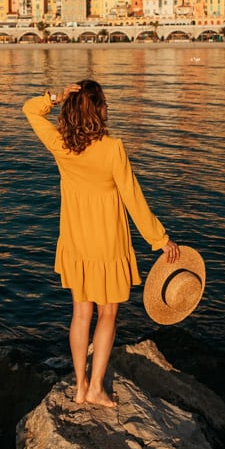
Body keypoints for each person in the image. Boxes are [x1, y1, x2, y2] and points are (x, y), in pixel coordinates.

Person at [22, 79, 180, 407]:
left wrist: (56, 95)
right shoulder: (113, 149)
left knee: (81, 313)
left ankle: (79, 386)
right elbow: (134, 199)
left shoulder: (61, 146)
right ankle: (96, 388)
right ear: (97, 110)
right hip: (108, 246)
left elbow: (29, 110)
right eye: (105, 103)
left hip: (76, 243)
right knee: (107, 314)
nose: (108, 108)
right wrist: (160, 240)